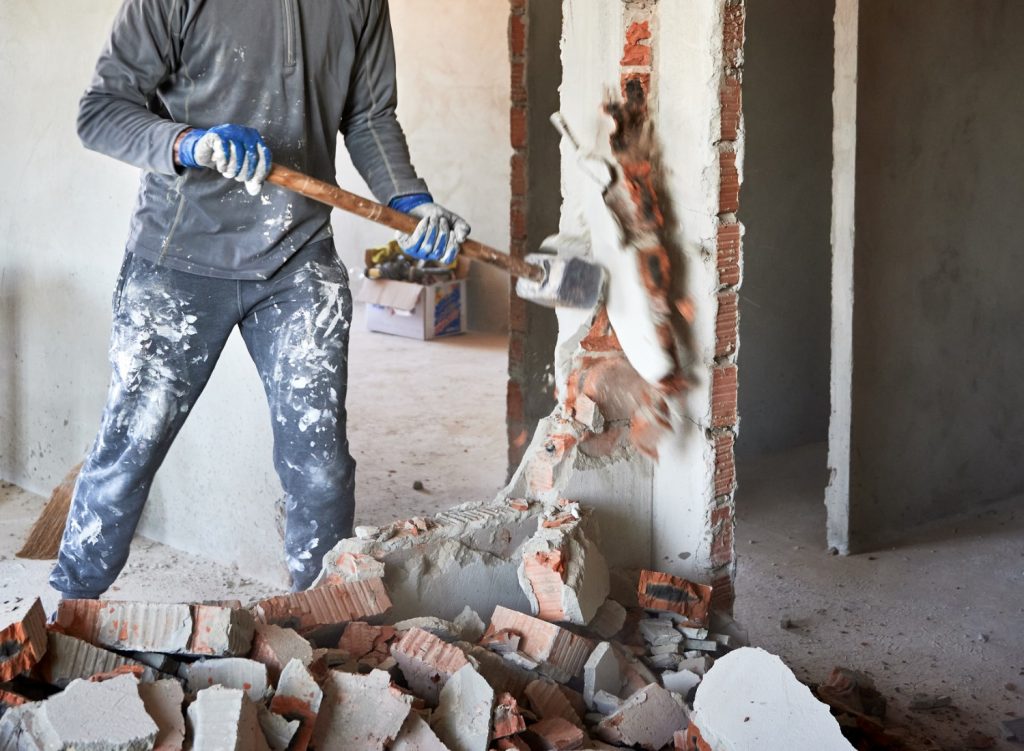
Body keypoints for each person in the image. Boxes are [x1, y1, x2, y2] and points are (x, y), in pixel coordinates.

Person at [49, 0, 469, 598]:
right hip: (179, 260)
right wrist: (191, 143)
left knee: (320, 467)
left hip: (299, 261)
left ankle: (327, 619)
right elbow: (100, 112)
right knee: (129, 452)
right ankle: (69, 613)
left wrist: (408, 198)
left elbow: (370, 115)